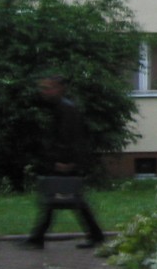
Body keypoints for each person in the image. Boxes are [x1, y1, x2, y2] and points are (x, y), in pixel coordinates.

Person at [21, 75, 105, 249]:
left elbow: (71, 138)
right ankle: (95, 235)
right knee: (65, 199)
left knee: (61, 199)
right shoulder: (60, 108)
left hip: (65, 163)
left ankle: (38, 238)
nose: (44, 92)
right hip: (64, 161)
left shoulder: (66, 109)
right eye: (43, 88)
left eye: (48, 88)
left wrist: (67, 162)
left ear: (59, 88)